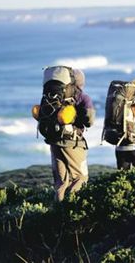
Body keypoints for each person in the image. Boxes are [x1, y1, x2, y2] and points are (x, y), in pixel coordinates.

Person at [49, 69, 95, 201]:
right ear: (81, 82)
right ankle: (72, 211)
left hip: (54, 141)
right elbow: (90, 121)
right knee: (80, 178)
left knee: (61, 182)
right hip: (72, 143)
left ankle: (58, 213)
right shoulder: (82, 97)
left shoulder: (54, 96)